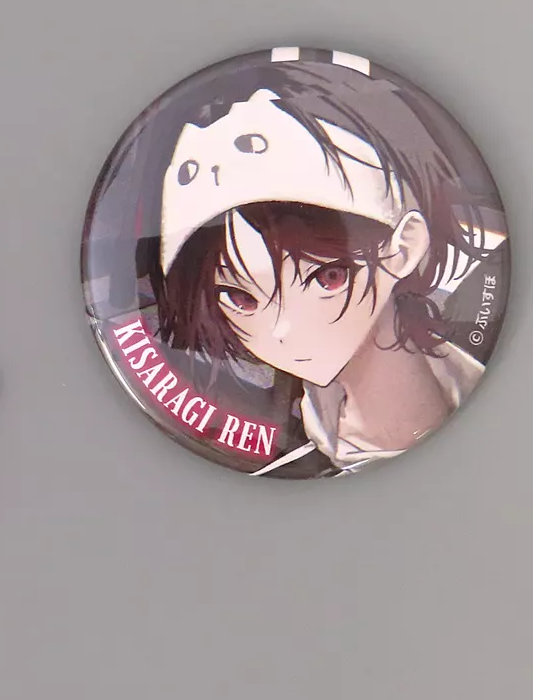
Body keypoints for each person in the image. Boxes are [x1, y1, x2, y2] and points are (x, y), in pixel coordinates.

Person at [145, 50, 506, 476]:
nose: (281, 329)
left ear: (404, 247)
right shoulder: (294, 456)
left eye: (327, 276)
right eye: (240, 298)